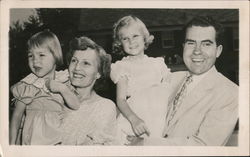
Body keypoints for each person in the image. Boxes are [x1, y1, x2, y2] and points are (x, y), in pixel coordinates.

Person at [141, 16, 238, 146]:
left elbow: (203, 146)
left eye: (206, 44)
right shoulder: (170, 79)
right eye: (191, 43)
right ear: (183, 47)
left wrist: (144, 144)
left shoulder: (230, 93)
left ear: (218, 51)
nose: (197, 51)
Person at [10, 30, 80, 145]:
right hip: (34, 140)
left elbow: (76, 105)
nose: (35, 60)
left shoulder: (63, 80)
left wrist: (62, 89)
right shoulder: (28, 84)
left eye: (41, 55)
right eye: (30, 55)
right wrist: (11, 145)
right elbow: (16, 117)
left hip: (59, 140)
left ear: (56, 55)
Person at [111, 15, 171, 144]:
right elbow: (121, 100)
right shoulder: (122, 67)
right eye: (125, 38)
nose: (131, 41)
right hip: (136, 115)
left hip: (158, 113)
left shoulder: (158, 63)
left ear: (144, 38)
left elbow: (169, 86)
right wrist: (134, 119)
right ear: (120, 43)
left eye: (135, 36)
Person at [47, 36, 117, 145]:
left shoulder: (104, 107)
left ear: (98, 73)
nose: (77, 68)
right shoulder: (54, 98)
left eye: (86, 63)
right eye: (74, 60)